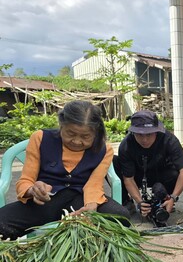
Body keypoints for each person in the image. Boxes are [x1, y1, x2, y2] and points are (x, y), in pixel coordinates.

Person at [0, 100, 130, 241]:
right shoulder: (40, 138)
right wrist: (33, 190)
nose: (76, 141)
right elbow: (26, 180)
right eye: (70, 133)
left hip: (79, 202)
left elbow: (94, 184)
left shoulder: (104, 150)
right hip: (44, 203)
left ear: (96, 133)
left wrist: (91, 205)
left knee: (120, 216)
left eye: (85, 137)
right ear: (61, 126)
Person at [113, 110, 183, 223]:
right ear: (133, 132)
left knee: (176, 172)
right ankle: (126, 202)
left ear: (156, 131)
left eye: (149, 134)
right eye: (140, 135)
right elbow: (128, 179)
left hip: (162, 176)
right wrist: (140, 202)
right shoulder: (126, 145)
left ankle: (165, 200)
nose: (144, 140)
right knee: (114, 162)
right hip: (137, 176)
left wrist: (174, 197)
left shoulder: (169, 140)